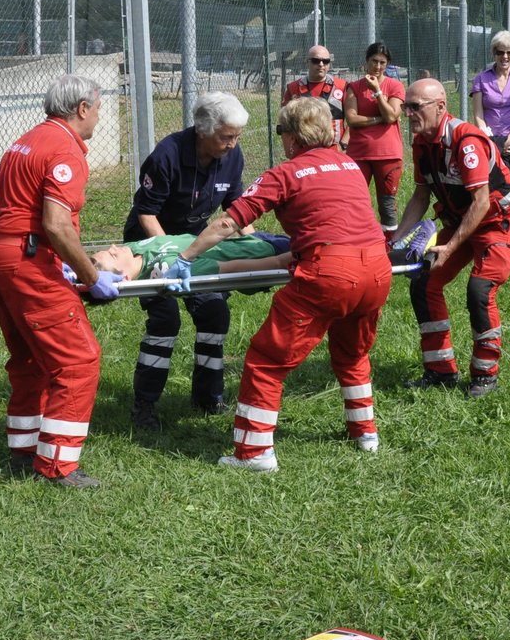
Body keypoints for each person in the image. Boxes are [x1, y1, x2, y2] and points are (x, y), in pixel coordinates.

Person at [166, 98, 390, 472]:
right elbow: (328, 232)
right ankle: (365, 434)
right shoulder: (349, 165)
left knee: (266, 360)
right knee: (353, 354)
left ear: (291, 137)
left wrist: (185, 258)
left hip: (329, 276)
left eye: (281, 132)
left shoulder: (285, 174)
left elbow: (228, 223)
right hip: (376, 272)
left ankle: (253, 453)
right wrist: (235, 267)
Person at [0, 74, 122, 487]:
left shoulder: (29, 140)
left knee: (29, 356)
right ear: (82, 109)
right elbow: (56, 225)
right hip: (24, 259)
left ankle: (24, 449)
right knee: (78, 359)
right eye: (98, 108)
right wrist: (92, 277)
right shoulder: (65, 150)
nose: (99, 117)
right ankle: (57, 464)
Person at [391, 77, 510, 397]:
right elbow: (420, 196)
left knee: (480, 289)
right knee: (425, 284)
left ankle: (485, 374)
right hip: (464, 218)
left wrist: (451, 246)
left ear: (440, 107)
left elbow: (482, 201)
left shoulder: (466, 140)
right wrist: (396, 238)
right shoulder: (422, 142)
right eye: (405, 107)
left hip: (499, 219)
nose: (408, 113)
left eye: (415, 107)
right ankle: (440, 371)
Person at [123, 91, 248, 431]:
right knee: (165, 322)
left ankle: (208, 396)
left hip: (197, 244)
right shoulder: (167, 154)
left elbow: (238, 211)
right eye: (226, 137)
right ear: (203, 131)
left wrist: (253, 247)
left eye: (237, 136)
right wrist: (169, 257)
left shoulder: (232, 157)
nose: (233, 144)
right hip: (151, 242)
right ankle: (144, 404)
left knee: (214, 312)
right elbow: (147, 213)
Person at [344, 41, 406, 232]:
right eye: (374, 61)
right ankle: (359, 239)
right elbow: (352, 119)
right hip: (359, 154)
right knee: (355, 201)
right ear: (366, 62)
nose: (377, 67)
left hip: (387, 154)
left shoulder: (395, 86)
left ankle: (390, 243)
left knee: (387, 204)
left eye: (382, 62)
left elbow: (391, 115)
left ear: (387, 65)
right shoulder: (354, 87)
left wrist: (378, 92)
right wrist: (379, 119)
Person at [470, 29, 510, 191]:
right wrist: (492, 142)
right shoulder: (481, 79)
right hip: (489, 143)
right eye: (500, 52)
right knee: (493, 190)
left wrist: (508, 141)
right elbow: (478, 114)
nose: (505, 57)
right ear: (494, 53)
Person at [90, 232, 290, 280]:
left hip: (251, 239)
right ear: (124, 277)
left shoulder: (134, 250)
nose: (115, 247)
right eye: (113, 256)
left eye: (110, 249)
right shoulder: (169, 267)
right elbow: (232, 268)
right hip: (268, 250)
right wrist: (281, 261)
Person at [283, 45, 348, 149]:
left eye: (325, 61)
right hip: (304, 149)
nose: (321, 64)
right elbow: (285, 123)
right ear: (307, 63)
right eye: (315, 61)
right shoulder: (293, 88)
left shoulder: (342, 87)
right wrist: (289, 148)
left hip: (334, 150)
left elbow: (352, 121)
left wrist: (344, 145)